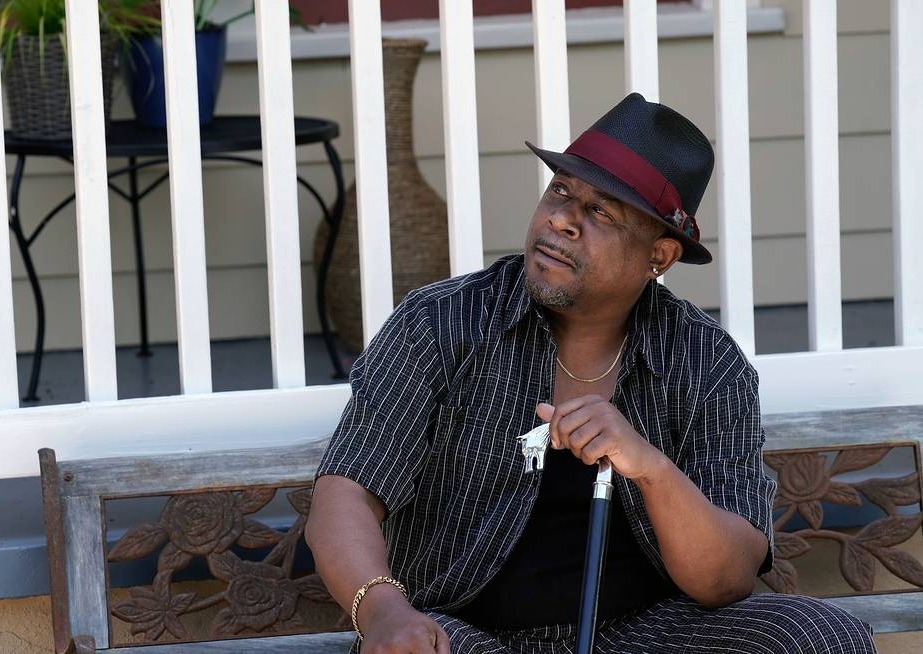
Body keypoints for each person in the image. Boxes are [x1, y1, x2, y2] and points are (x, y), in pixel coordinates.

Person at [305, 93, 875, 654]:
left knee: (822, 637)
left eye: (600, 211)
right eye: (560, 190)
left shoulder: (706, 363)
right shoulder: (440, 324)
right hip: (464, 632)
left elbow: (726, 580)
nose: (561, 219)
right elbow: (346, 494)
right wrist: (384, 612)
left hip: (642, 634)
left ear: (659, 257)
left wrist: (650, 468)